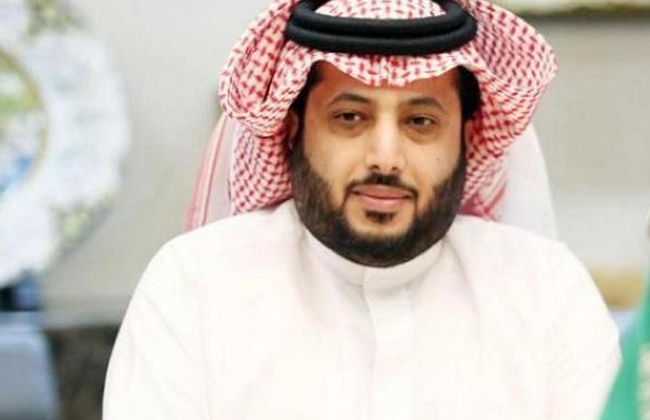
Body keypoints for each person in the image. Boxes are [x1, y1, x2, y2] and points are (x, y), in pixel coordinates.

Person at [103, 0, 620, 419]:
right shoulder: (196, 287)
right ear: (292, 129)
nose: (385, 157)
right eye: (350, 117)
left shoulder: (546, 290)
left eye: (420, 122)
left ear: (466, 137)